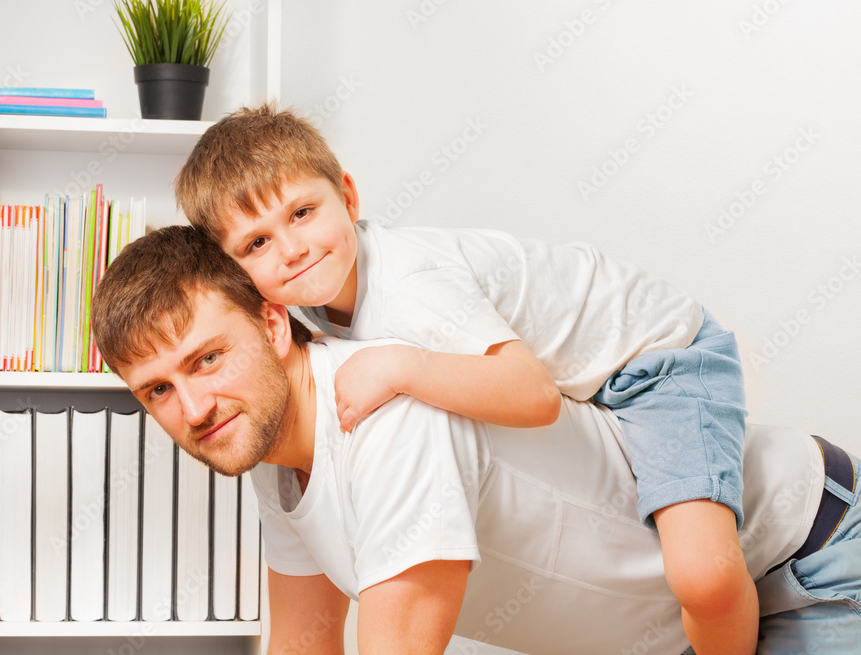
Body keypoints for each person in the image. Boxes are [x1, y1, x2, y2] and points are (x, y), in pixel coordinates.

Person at [91, 225, 861, 655]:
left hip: (797, 554)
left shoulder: (388, 414)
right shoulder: (266, 447)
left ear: (270, 323)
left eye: (206, 359)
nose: (192, 407)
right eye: (158, 389)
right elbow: (305, 638)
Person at [175, 105, 755, 652]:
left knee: (706, 578)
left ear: (348, 197)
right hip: (596, 386)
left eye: (302, 213)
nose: (293, 249)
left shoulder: (412, 284)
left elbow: (534, 397)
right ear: (240, 279)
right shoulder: (303, 308)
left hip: (661, 361)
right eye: (257, 244)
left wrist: (404, 366)